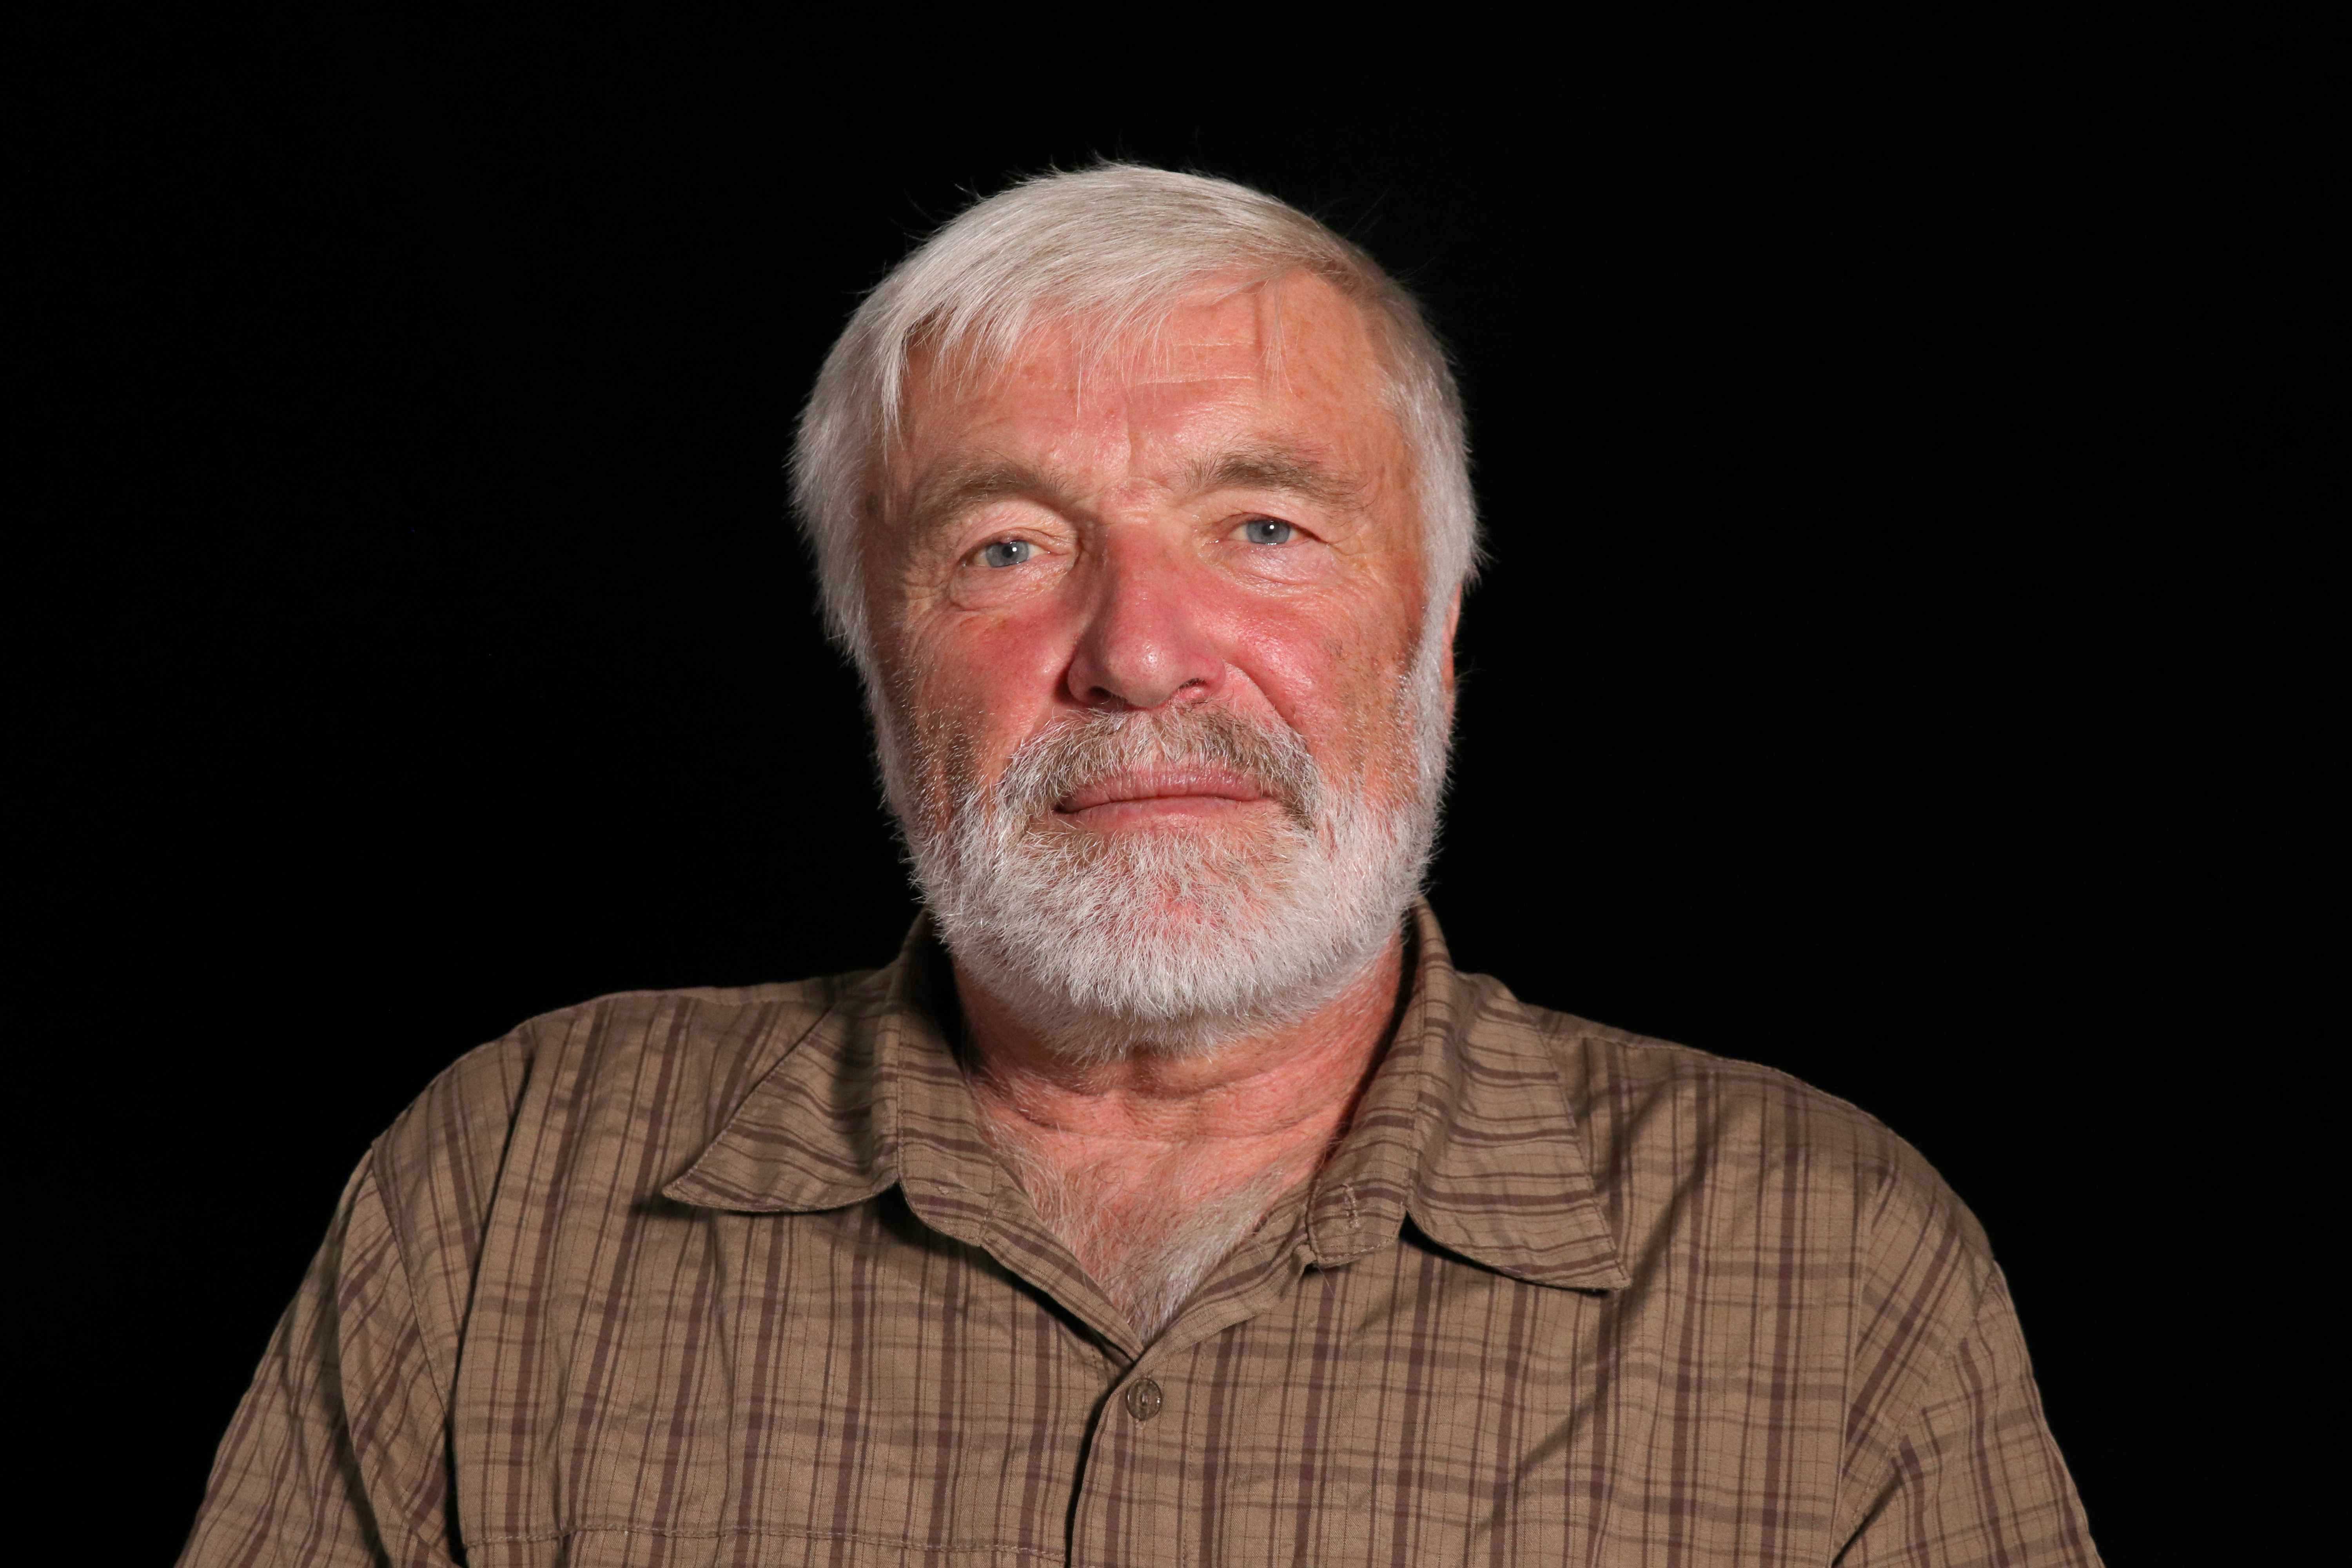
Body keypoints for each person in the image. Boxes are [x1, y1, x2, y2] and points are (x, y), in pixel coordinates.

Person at [181, 164, 2100, 1566]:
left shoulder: (1824, 1266)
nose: (1139, 650)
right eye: (1007, 548)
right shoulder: (511, 1192)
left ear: (1433, 635)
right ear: (877, 657)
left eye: (1263, 527)